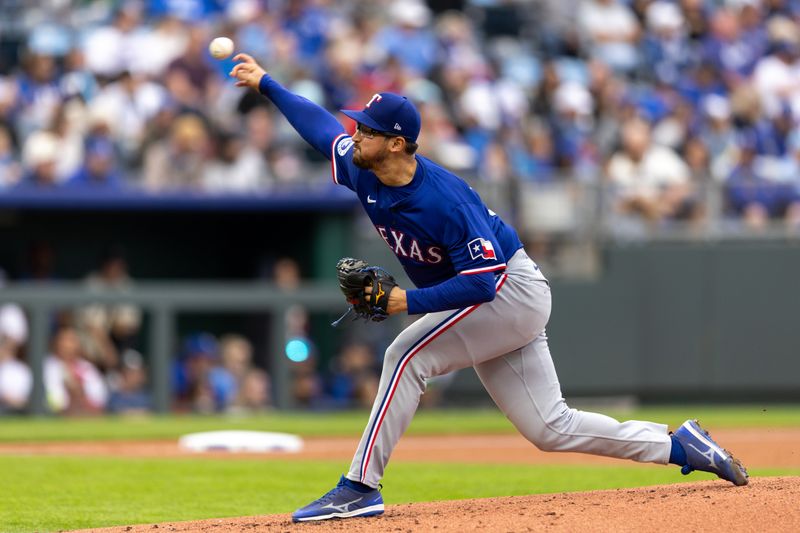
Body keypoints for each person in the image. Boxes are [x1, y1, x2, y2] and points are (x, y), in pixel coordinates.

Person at [230, 54, 749, 522]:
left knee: (406, 355)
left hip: (509, 292)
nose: (354, 133)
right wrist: (268, 84)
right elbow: (320, 128)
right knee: (550, 427)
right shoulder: (362, 167)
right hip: (494, 299)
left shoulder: (444, 200)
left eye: (365, 128)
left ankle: (360, 486)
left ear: (395, 143)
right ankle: (680, 446)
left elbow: (482, 283)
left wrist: (403, 302)